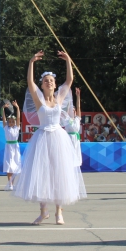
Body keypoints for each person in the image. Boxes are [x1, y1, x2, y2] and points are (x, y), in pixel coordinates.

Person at [14, 51, 86, 225]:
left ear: (54, 85)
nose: (49, 82)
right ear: (43, 84)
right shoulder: (39, 100)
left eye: (52, 81)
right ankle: (43, 210)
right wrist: (31, 62)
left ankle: (59, 212)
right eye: (46, 80)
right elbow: (30, 83)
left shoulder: (60, 97)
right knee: (42, 173)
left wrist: (68, 60)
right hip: (43, 137)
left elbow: (69, 81)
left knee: (59, 172)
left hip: (58, 137)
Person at [1, 100, 22, 190]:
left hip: (15, 147)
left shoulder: (17, 127)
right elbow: (3, 118)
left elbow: (18, 118)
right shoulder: (6, 127)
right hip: (9, 147)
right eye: (9, 121)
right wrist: (3, 109)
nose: (11, 122)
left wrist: (17, 108)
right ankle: (10, 184)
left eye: (12, 121)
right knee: (9, 165)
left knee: (15, 166)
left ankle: (12, 183)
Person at [64, 87, 83, 167]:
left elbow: (78, 107)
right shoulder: (66, 119)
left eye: (74, 110)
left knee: (76, 157)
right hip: (68, 139)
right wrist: (68, 97)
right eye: (72, 110)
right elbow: (67, 108)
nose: (73, 111)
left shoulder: (77, 119)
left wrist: (78, 96)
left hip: (76, 140)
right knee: (69, 157)